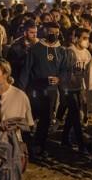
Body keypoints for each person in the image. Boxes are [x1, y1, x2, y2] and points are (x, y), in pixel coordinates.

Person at [20, 22, 69, 157]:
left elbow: (65, 70)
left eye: (56, 32)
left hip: (51, 92)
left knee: (46, 120)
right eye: (51, 32)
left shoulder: (61, 51)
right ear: (45, 31)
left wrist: (59, 79)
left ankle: (39, 146)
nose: (54, 35)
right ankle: (23, 143)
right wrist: (20, 91)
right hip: (35, 90)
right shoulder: (35, 49)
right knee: (31, 117)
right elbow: (26, 70)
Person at [62, 28, 92, 153]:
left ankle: (64, 138)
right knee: (76, 116)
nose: (86, 41)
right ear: (77, 38)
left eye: (88, 38)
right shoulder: (70, 52)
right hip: (69, 89)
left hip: (80, 88)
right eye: (84, 38)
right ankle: (81, 144)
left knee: (72, 115)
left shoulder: (87, 53)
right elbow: (64, 70)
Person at [7, 20, 38, 89]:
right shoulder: (16, 47)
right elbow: (11, 66)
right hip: (20, 81)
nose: (34, 35)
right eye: (32, 32)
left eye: (36, 32)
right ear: (25, 33)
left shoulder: (39, 44)